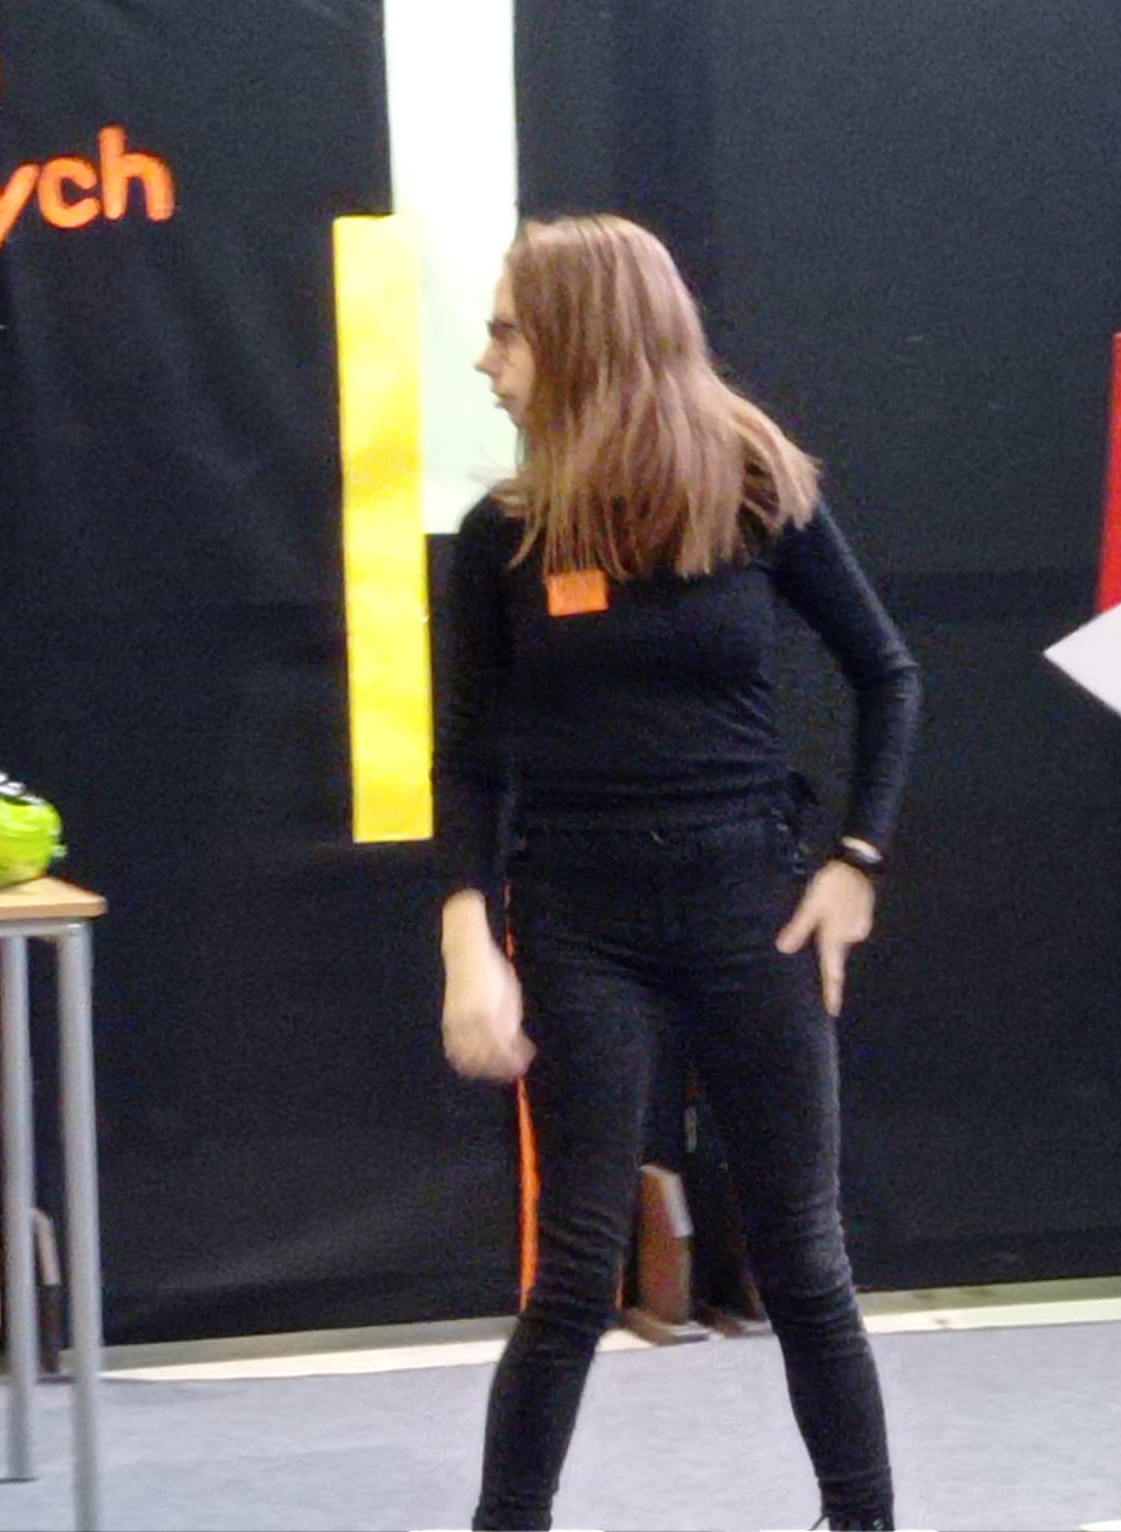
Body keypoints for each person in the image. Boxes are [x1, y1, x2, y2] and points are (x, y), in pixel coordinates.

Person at [434, 213, 922, 1532]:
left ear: (584, 340)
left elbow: (887, 675)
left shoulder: (756, 488)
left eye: (505, 332)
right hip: (579, 920)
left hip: (750, 909)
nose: (485, 361)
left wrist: (857, 859)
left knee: (804, 1260)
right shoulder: (501, 537)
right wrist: (471, 941)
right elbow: (468, 762)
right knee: (574, 1275)